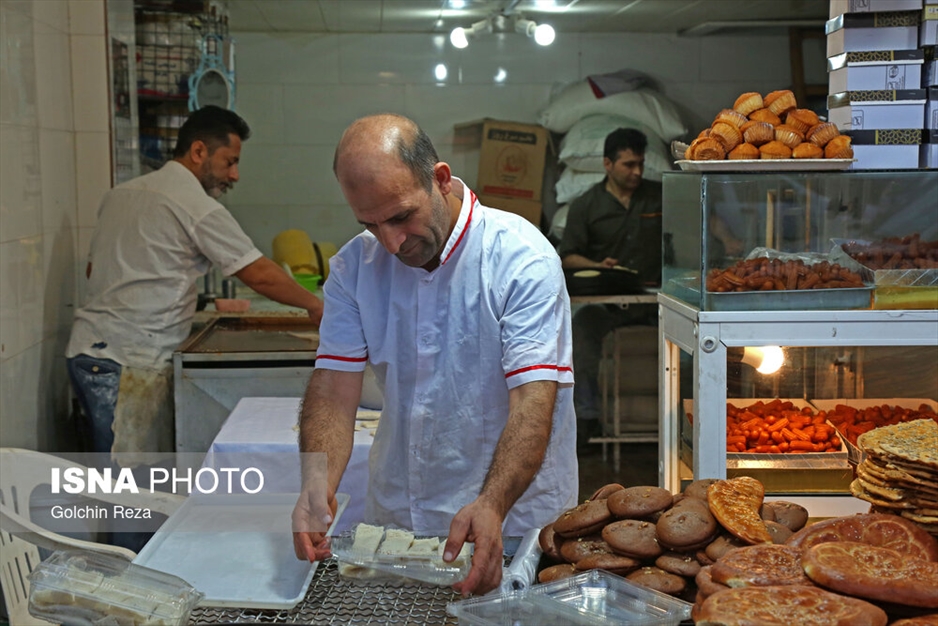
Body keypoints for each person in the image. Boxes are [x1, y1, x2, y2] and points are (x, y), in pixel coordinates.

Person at [291, 113, 577, 596]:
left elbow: (533, 401)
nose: (392, 242)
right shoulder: (354, 268)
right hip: (399, 519)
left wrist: (492, 503)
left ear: (440, 180)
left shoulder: (520, 259)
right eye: (371, 224)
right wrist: (316, 483)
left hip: (508, 520)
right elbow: (334, 389)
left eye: (401, 216)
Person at [66, 105, 323, 459]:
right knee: (128, 487)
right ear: (199, 151)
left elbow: (97, 272)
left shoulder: (121, 194)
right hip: (128, 360)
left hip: (87, 353)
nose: (234, 175)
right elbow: (258, 274)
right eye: (229, 161)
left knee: (115, 477)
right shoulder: (194, 205)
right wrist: (315, 305)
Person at [556, 128, 662, 446]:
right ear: (607, 163)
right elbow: (568, 257)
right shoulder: (586, 205)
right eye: (629, 164)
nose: (637, 172)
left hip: (656, 301)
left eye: (640, 164)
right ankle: (587, 420)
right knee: (580, 336)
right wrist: (597, 267)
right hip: (609, 302)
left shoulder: (661, 195)